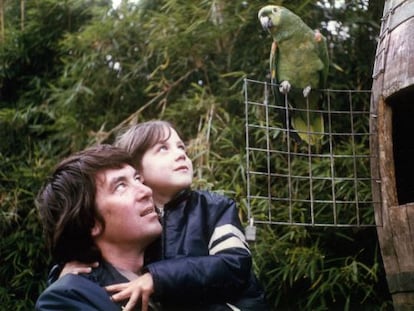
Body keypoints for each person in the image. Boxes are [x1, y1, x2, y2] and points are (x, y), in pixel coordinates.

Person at [109, 120, 268, 310]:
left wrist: (157, 279)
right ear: (137, 170)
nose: (180, 155)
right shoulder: (134, 219)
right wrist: (70, 265)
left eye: (181, 148)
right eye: (163, 149)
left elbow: (234, 264)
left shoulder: (215, 207)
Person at [35, 144, 163, 311]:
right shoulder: (66, 300)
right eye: (121, 186)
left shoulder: (175, 264)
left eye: (138, 179)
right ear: (90, 221)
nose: (146, 191)